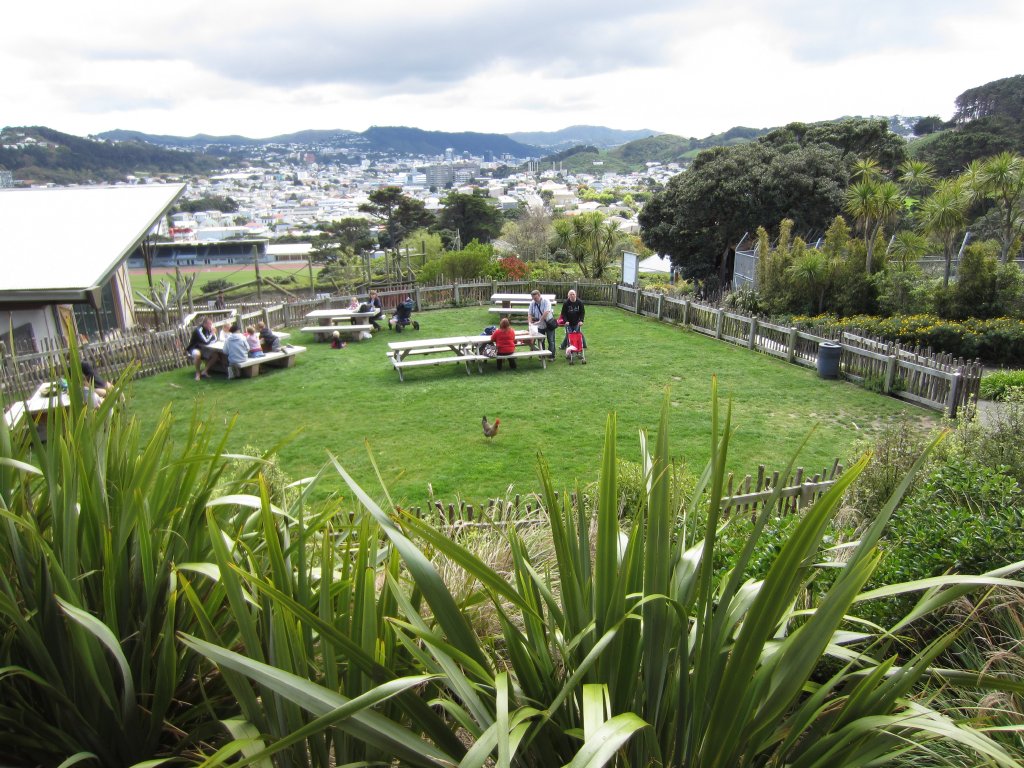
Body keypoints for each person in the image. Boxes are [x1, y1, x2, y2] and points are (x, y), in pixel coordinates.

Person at [186, 317, 217, 381]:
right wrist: (212, 334)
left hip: (204, 348)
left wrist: (213, 334)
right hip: (195, 348)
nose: (211, 326)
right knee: (197, 355)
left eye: (211, 324)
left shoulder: (208, 329)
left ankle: (205, 371)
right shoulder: (198, 330)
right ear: (205, 324)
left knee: (216, 355)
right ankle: (198, 373)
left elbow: (215, 339)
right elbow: (205, 341)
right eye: (210, 324)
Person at [559, 289, 586, 356]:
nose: (572, 295)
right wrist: (566, 321)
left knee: (577, 334)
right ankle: (568, 348)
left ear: (575, 295)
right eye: (570, 294)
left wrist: (581, 320)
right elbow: (563, 313)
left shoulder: (579, 302)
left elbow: (582, 313)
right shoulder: (566, 303)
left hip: (577, 322)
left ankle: (581, 346)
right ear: (568, 296)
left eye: (573, 294)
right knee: (569, 335)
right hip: (568, 322)